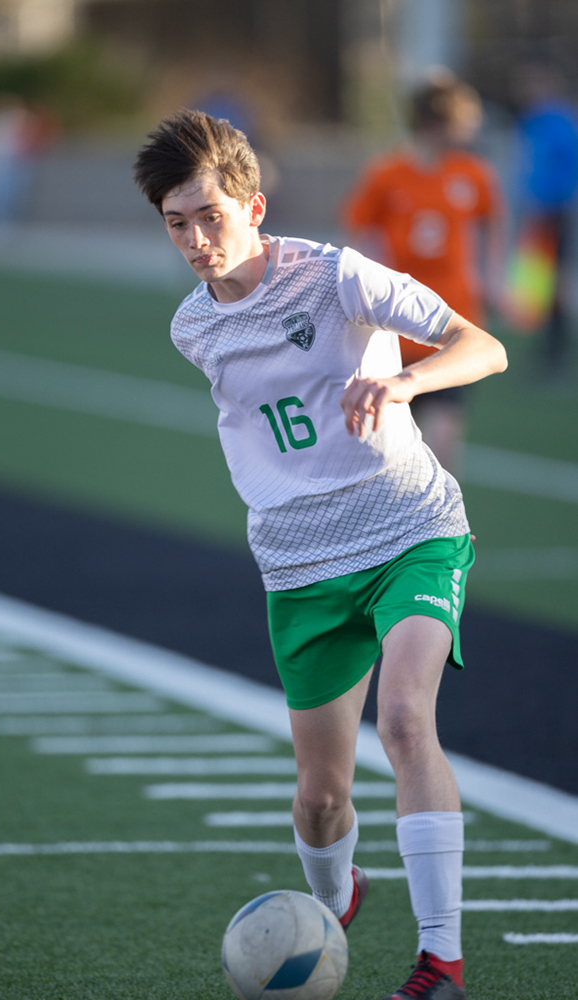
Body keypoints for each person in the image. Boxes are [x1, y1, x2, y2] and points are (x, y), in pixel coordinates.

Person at [133, 110, 507, 1000]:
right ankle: (335, 904)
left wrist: (406, 378)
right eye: (177, 224)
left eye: (211, 216)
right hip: (300, 565)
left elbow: (482, 346)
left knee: (406, 721)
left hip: (411, 529)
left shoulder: (338, 275)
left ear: (254, 206)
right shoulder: (193, 329)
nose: (196, 240)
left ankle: (442, 963)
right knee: (319, 798)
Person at [340, 71, 505, 474]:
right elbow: (358, 233)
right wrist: (367, 291)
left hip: (454, 317)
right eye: (463, 119)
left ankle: (441, 507)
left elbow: (494, 226)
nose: (471, 128)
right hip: (399, 320)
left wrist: (495, 279)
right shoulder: (386, 175)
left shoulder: (474, 174)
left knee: (444, 439)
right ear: (436, 123)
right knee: (391, 450)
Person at [512, 59, 578, 376]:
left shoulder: (561, 121)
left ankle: (557, 351)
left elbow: (568, 170)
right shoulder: (531, 120)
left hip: (553, 212)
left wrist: (553, 203)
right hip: (535, 212)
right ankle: (545, 348)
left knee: (554, 282)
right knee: (536, 284)